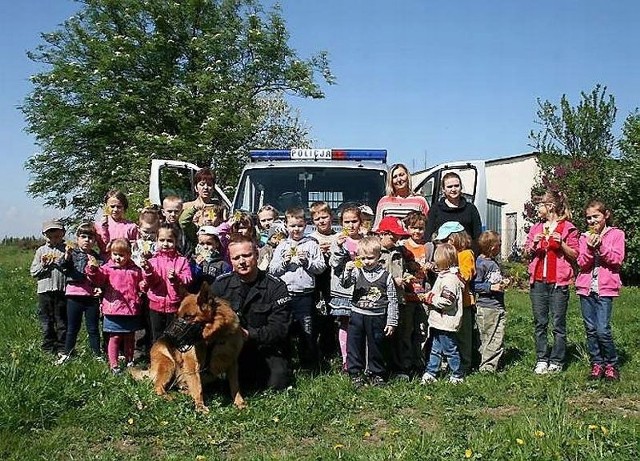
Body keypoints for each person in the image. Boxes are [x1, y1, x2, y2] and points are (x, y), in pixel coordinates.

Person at [210, 234, 292, 390]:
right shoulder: (221, 285)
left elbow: (280, 329)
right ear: (230, 260)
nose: (242, 261)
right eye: (236, 258)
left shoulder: (276, 287)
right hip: (227, 347)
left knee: (276, 382)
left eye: (246, 255)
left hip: (262, 348)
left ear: (256, 254)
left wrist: (249, 334)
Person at [524, 190, 579, 374]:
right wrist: (533, 245)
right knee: (540, 322)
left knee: (558, 322)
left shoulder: (568, 228)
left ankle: (557, 360)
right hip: (538, 281)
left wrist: (562, 243)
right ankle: (541, 358)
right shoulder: (536, 228)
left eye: (540, 205)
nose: (537, 208)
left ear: (550, 206)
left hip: (559, 281)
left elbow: (576, 255)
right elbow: (526, 253)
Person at [269, 207, 326, 369]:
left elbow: (321, 267)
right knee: (285, 329)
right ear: (286, 226)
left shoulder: (311, 244)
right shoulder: (282, 246)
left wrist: (307, 262)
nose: (296, 230)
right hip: (286, 294)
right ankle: (286, 361)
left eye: (300, 226)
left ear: (306, 225)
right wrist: (284, 262)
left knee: (307, 329)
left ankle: (309, 364)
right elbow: (272, 270)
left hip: (305, 295)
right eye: (293, 226)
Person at [576, 200, 625, 381]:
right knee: (590, 328)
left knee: (602, 329)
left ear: (606, 215)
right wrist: (590, 247)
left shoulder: (616, 234)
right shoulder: (583, 237)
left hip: (605, 288)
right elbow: (581, 263)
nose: (591, 220)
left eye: (595, 216)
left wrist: (601, 247)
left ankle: (611, 364)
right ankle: (597, 363)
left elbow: (617, 260)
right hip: (586, 288)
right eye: (588, 217)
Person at [340, 236, 398, 387]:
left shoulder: (386, 276)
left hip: (377, 316)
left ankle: (376, 373)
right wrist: (346, 270)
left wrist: (392, 321)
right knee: (354, 344)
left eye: (371, 258)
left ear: (379, 256)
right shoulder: (357, 272)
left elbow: (392, 300)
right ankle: (355, 373)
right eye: (363, 258)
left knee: (376, 346)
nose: (367, 261)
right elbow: (345, 284)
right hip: (357, 314)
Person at [85, 239, 144, 373]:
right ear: (111, 254)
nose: (118, 258)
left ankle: (130, 360)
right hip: (113, 309)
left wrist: (143, 286)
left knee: (130, 337)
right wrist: (92, 269)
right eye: (115, 254)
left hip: (131, 309)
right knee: (115, 337)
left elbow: (141, 283)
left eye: (122, 255)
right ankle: (114, 364)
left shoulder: (135, 270)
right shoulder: (106, 269)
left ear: (129, 254)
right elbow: (98, 279)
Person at [419, 243, 465, 384]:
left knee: (450, 349)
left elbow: (447, 301)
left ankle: (457, 374)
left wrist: (430, 298)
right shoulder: (443, 276)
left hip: (446, 321)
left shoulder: (450, 280)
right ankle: (431, 371)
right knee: (435, 347)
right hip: (439, 321)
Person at [434, 221, 476, 375]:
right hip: (450, 304)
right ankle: (449, 363)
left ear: (454, 239)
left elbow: (466, 275)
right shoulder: (451, 255)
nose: (445, 244)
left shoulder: (466, 254)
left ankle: (464, 365)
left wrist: (452, 271)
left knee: (463, 336)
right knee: (449, 335)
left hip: (463, 303)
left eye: (446, 240)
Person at [58, 223, 103, 363]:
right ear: (77, 239)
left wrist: (100, 287)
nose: (86, 240)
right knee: (72, 327)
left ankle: (97, 354)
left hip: (91, 297)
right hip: (74, 295)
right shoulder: (73, 253)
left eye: (90, 237)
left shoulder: (97, 257)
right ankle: (67, 353)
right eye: (83, 237)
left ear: (94, 241)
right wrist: (67, 255)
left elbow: (102, 277)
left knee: (93, 328)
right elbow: (62, 266)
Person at [140, 223, 192, 342]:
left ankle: (173, 359)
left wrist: (176, 278)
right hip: (155, 305)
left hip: (174, 306)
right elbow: (150, 283)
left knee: (174, 337)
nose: (165, 244)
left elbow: (188, 279)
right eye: (161, 240)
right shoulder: (152, 261)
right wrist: (148, 270)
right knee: (157, 336)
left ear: (176, 241)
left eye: (169, 240)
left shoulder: (182, 261)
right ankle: (157, 359)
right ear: (157, 241)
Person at [328, 206, 365, 371]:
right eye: (347, 222)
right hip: (343, 289)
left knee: (361, 324)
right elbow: (333, 263)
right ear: (341, 223)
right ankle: (345, 359)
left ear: (361, 222)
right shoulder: (338, 239)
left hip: (362, 288)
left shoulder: (365, 239)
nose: (351, 226)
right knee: (345, 324)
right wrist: (339, 248)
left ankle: (360, 357)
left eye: (354, 221)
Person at [375, 217, 411, 378]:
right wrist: (391, 280)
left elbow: (403, 270)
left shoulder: (399, 251)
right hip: (380, 301)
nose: (397, 239)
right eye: (393, 236)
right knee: (381, 336)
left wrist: (407, 276)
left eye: (398, 236)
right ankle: (379, 369)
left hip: (398, 299)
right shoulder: (373, 251)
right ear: (383, 234)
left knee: (399, 335)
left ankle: (399, 368)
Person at [401, 211, 436, 374]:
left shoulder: (429, 246)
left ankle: (420, 360)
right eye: (413, 228)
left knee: (422, 329)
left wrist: (431, 267)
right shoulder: (403, 246)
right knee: (407, 330)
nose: (417, 232)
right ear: (407, 228)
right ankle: (406, 362)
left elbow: (437, 265)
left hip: (424, 295)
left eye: (420, 228)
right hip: (408, 295)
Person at [30, 219, 68, 356]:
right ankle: (48, 347)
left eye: (57, 236)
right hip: (44, 291)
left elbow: (71, 269)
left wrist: (63, 262)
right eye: (50, 236)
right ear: (44, 235)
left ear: (63, 234)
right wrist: (44, 266)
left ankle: (62, 348)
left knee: (62, 320)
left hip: (62, 290)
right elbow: (33, 272)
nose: (54, 239)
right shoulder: (41, 251)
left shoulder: (67, 250)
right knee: (46, 321)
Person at [473, 230, 508, 372]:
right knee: (488, 337)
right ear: (492, 247)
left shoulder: (493, 262)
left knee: (498, 336)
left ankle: (490, 364)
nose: (500, 247)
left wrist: (503, 282)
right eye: (499, 245)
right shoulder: (480, 264)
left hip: (498, 305)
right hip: (486, 307)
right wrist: (491, 287)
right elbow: (475, 285)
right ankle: (486, 366)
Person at [309, 201, 338, 363]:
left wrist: (334, 248)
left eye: (324, 217)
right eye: (317, 219)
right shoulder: (311, 238)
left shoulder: (338, 236)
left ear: (331, 217)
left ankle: (331, 348)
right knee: (317, 312)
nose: (321, 221)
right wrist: (317, 250)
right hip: (317, 280)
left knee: (331, 313)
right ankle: (316, 348)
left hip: (333, 279)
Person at [424, 172, 482, 243]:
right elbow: (428, 235)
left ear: (461, 187)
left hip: (466, 251)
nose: (453, 189)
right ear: (443, 189)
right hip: (442, 251)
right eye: (449, 186)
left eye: (456, 186)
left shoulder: (471, 209)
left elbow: (477, 235)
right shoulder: (435, 209)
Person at [373, 163, 429, 231]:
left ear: (407, 176)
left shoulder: (420, 201)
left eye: (401, 175)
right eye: (395, 177)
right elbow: (377, 227)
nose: (399, 180)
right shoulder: (384, 202)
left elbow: (428, 225)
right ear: (390, 180)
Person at [95, 190, 138, 258]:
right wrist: (104, 227)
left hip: (126, 264)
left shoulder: (131, 227)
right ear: (106, 206)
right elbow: (104, 248)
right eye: (112, 206)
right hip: (105, 264)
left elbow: (136, 249)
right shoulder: (99, 226)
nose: (115, 209)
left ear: (124, 207)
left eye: (119, 207)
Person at [189, 226, 231, 293]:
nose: (205, 247)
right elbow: (190, 279)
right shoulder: (193, 261)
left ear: (217, 244)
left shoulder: (222, 265)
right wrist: (197, 267)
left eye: (209, 243)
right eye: (202, 244)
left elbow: (227, 284)